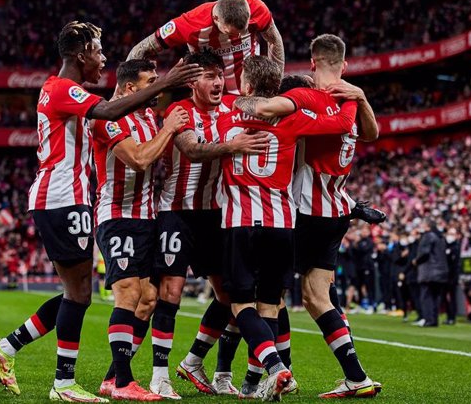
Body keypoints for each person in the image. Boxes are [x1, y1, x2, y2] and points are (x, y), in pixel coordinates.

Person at [0, 21, 203, 402]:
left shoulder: (70, 91)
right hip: (61, 198)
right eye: (98, 51)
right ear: (81, 52)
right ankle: (63, 383)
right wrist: (163, 85)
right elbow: (109, 109)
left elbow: (113, 106)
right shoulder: (62, 88)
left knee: (78, 293)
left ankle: (7, 348)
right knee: (79, 294)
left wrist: (170, 84)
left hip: (69, 198)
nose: (103, 59)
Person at [234, 34, 381, 398]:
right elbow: (372, 134)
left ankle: (273, 375)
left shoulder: (309, 100)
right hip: (338, 211)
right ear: (344, 65)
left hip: (305, 211)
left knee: (271, 299)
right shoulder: (350, 97)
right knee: (318, 296)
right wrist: (360, 97)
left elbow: (282, 121)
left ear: (312, 63)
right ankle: (356, 376)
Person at [145, 48, 268, 399]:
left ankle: (199, 362)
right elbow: (192, 149)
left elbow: (270, 93)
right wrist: (233, 146)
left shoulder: (234, 105)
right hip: (176, 212)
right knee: (170, 291)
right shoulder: (179, 110)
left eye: (220, 75)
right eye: (208, 76)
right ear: (192, 81)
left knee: (231, 296)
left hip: (217, 214)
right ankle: (159, 376)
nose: (217, 82)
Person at [92, 59, 191, 401]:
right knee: (129, 294)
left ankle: (111, 378)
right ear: (131, 87)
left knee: (148, 299)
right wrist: (170, 128)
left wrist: (179, 71)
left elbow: (167, 88)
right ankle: (123, 383)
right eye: (151, 81)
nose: (157, 87)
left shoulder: (149, 113)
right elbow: (138, 159)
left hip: (147, 218)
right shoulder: (109, 117)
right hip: (117, 216)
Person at [127, 0, 285, 95]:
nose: (237, 37)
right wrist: (124, 95)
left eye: (243, 31)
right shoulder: (189, 24)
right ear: (216, 19)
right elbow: (140, 49)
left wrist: (276, 86)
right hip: (210, 99)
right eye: (231, 33)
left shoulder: (257, 8)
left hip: (251, 94)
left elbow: (275, 41)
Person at [413, 220, 448, 327]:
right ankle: (434, 320)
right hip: (441, 272)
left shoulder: (428, 236)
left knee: (426, 296)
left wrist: (416, 260)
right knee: (435, 297)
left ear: (428, 226)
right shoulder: (441, 237)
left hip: (429, 271)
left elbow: (425, 252)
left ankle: (428, 320)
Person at [444, 228, 462, 325]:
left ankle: (452, 317)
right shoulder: (445, 246)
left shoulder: (456, 247)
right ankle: (448, 316)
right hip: (445, 276)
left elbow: (455, 264)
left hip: (452, 276)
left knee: (452, 297)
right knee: (446, 298)